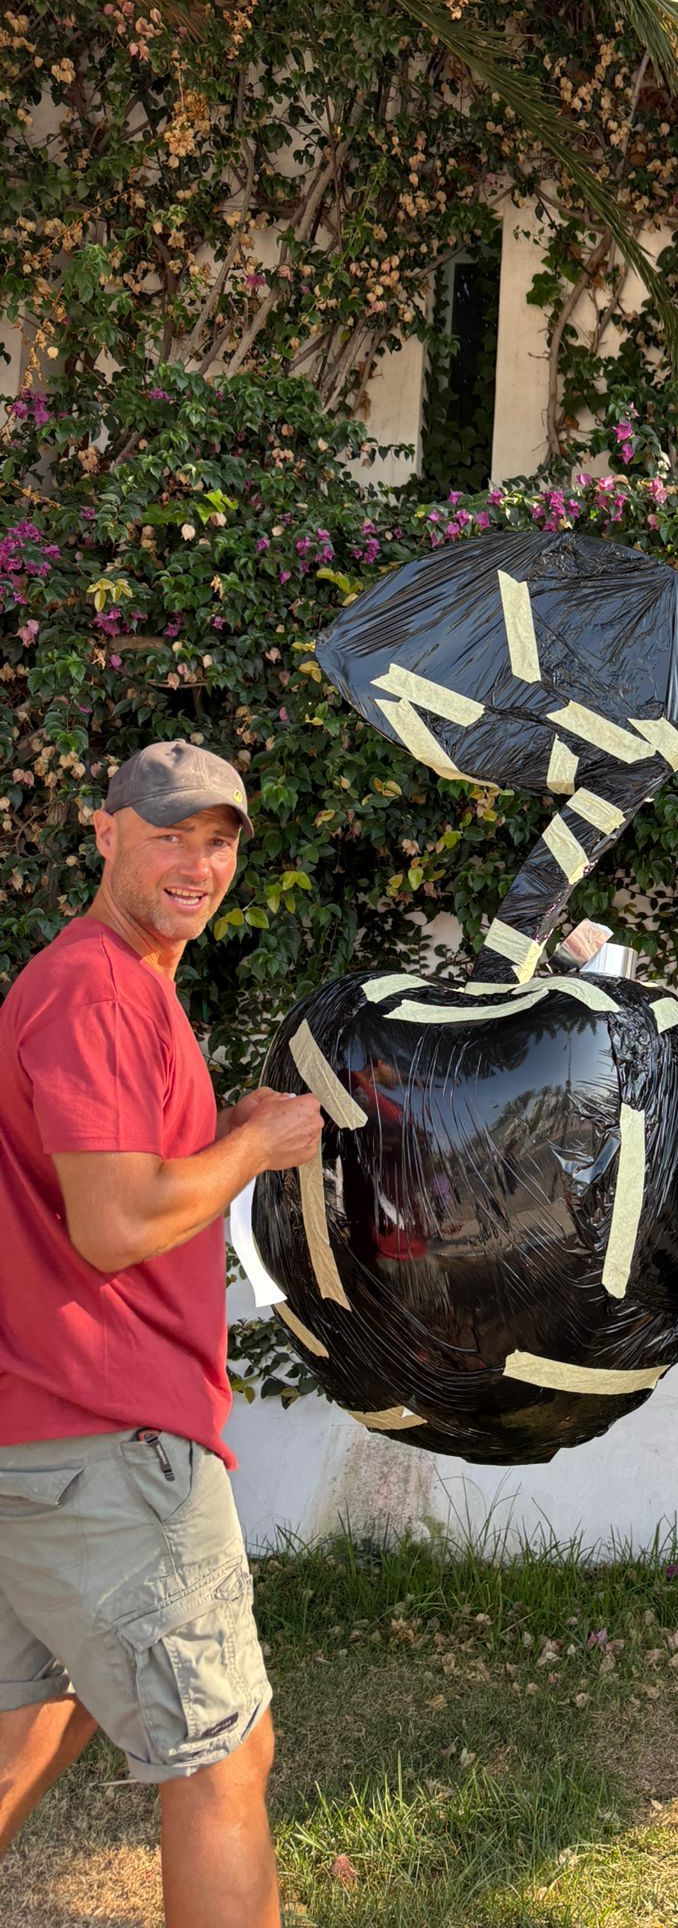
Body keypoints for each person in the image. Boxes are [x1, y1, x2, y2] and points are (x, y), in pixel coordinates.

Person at [0, 741, 323, 1928]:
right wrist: (255, 1147)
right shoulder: (95, 985)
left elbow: (111, 1175)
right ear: (104, 831)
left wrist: (218, 1128)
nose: (198, 861)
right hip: (107, 1441)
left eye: (220, 838)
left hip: (38, 1432)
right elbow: (113, 1220)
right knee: (220, 1759)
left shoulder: (125, 982)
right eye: (171, 830)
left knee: (39, 1718)